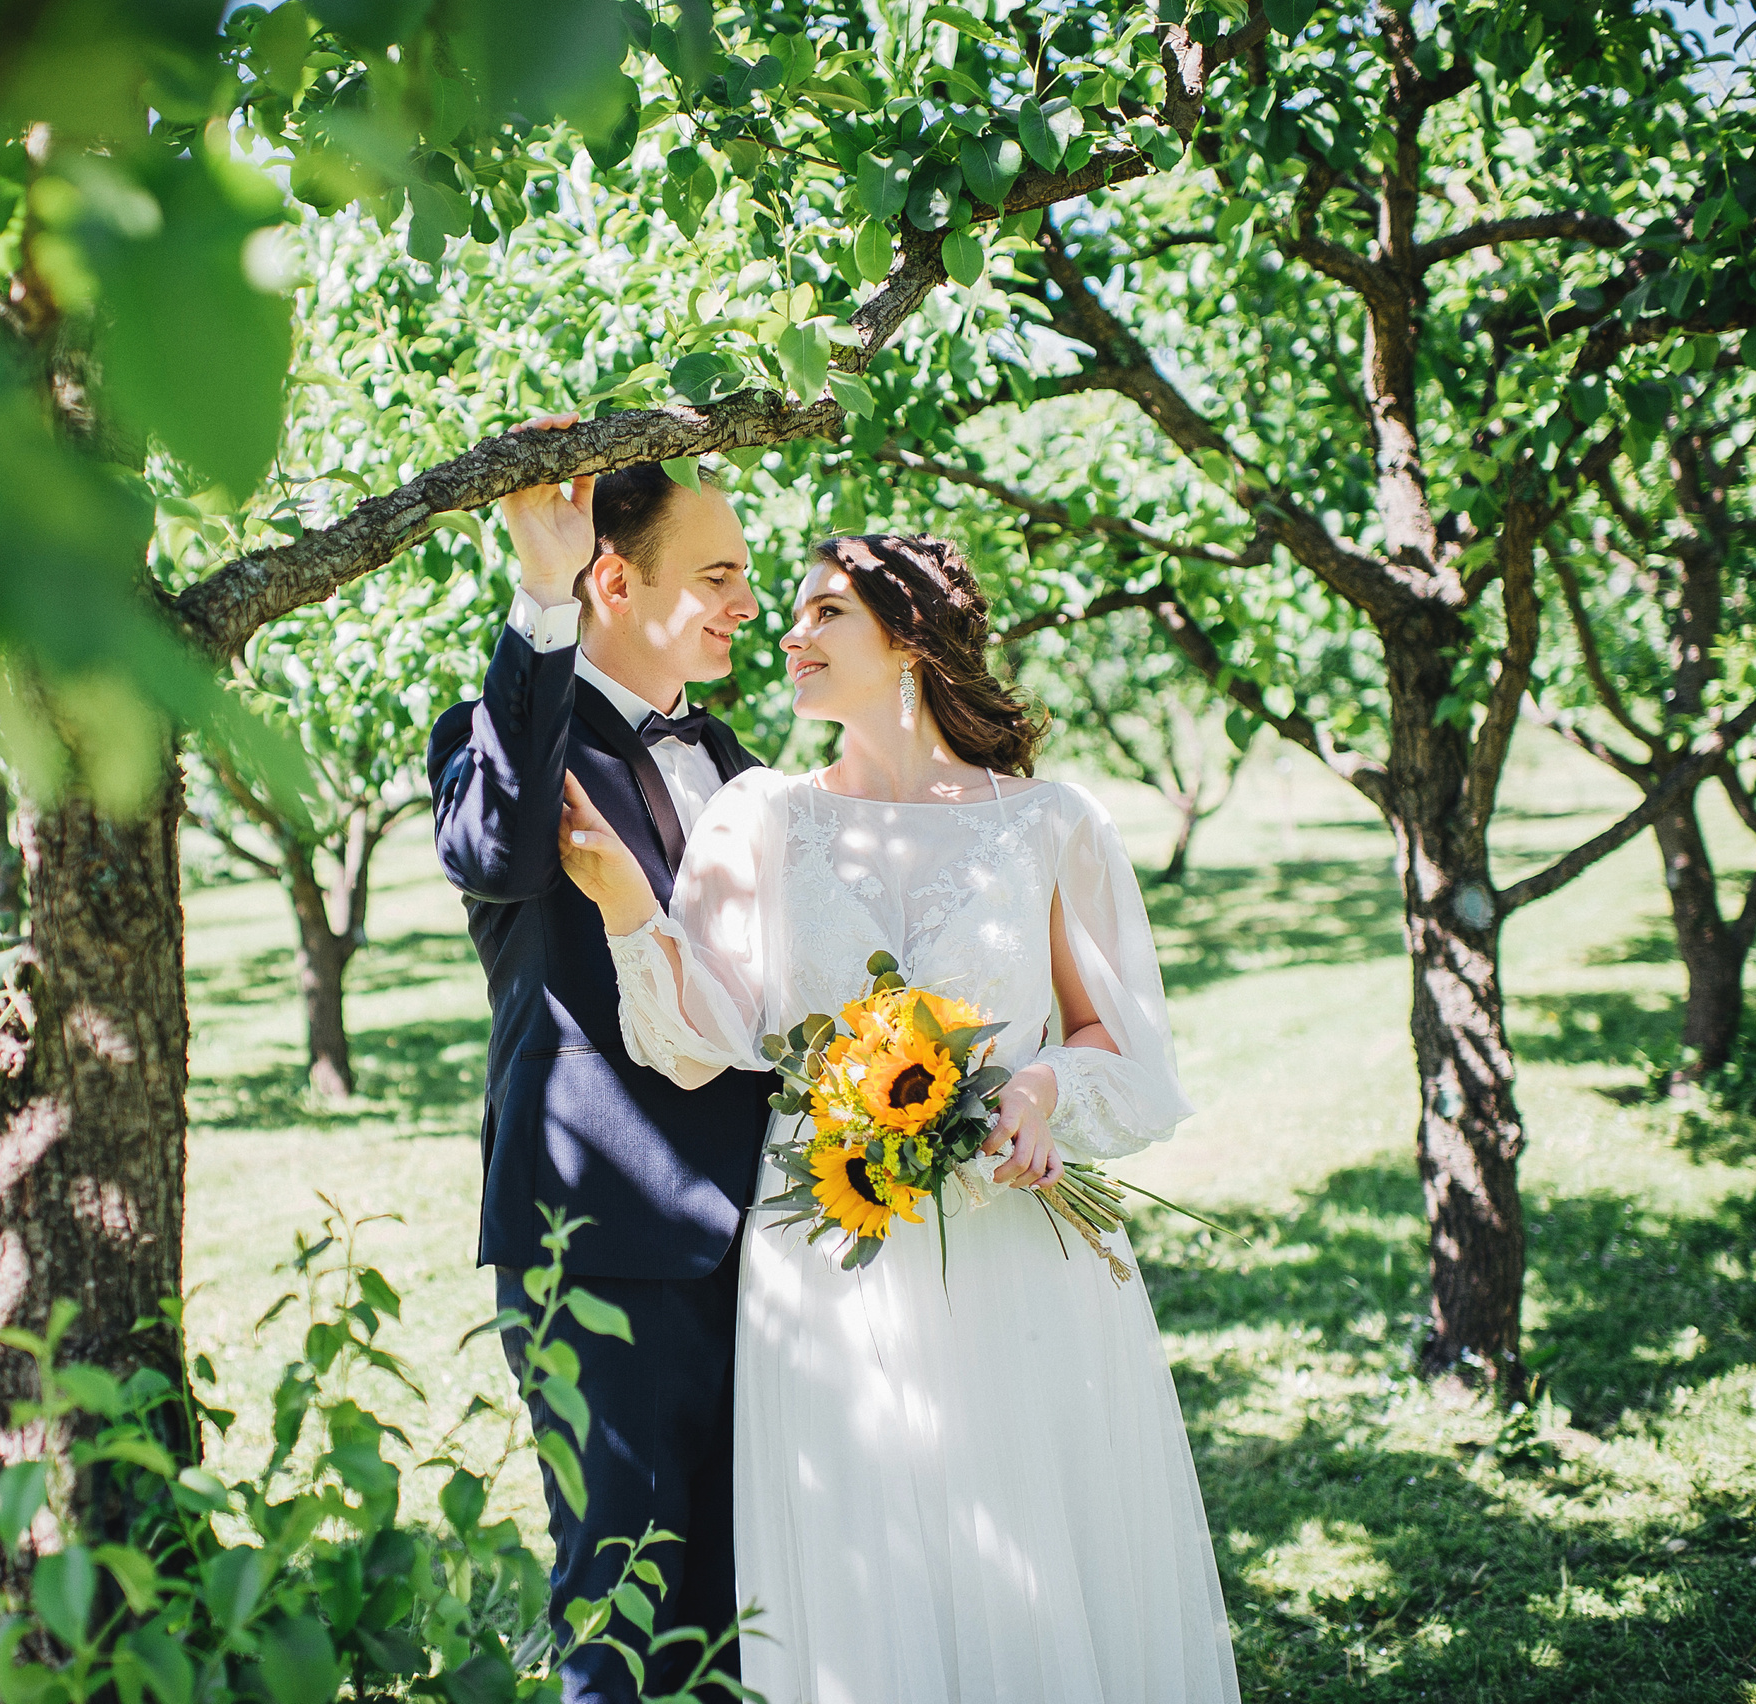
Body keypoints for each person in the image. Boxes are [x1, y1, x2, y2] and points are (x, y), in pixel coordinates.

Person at [557, 532, 1241, 1704]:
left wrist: (1033, 1092)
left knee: (1030, 1544)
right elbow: (700, 1035)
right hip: (827, 1251)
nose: (787, 632)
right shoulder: (760, 817)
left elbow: (1114, 1040)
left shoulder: (1051, 824)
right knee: (865, 1568)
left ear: (908, 637)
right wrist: (629, 904)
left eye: (826, 612)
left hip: (1016, 1250)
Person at [425, 418, 774, 1702]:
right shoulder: (501, 731)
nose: (751, 603)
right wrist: (538, 589)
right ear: (615, 582)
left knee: (756, 1589)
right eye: (721, 575)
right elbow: (497, 858)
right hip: (601, 1242)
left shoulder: (738, 764)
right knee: (625, 1599)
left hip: (772, 1241)